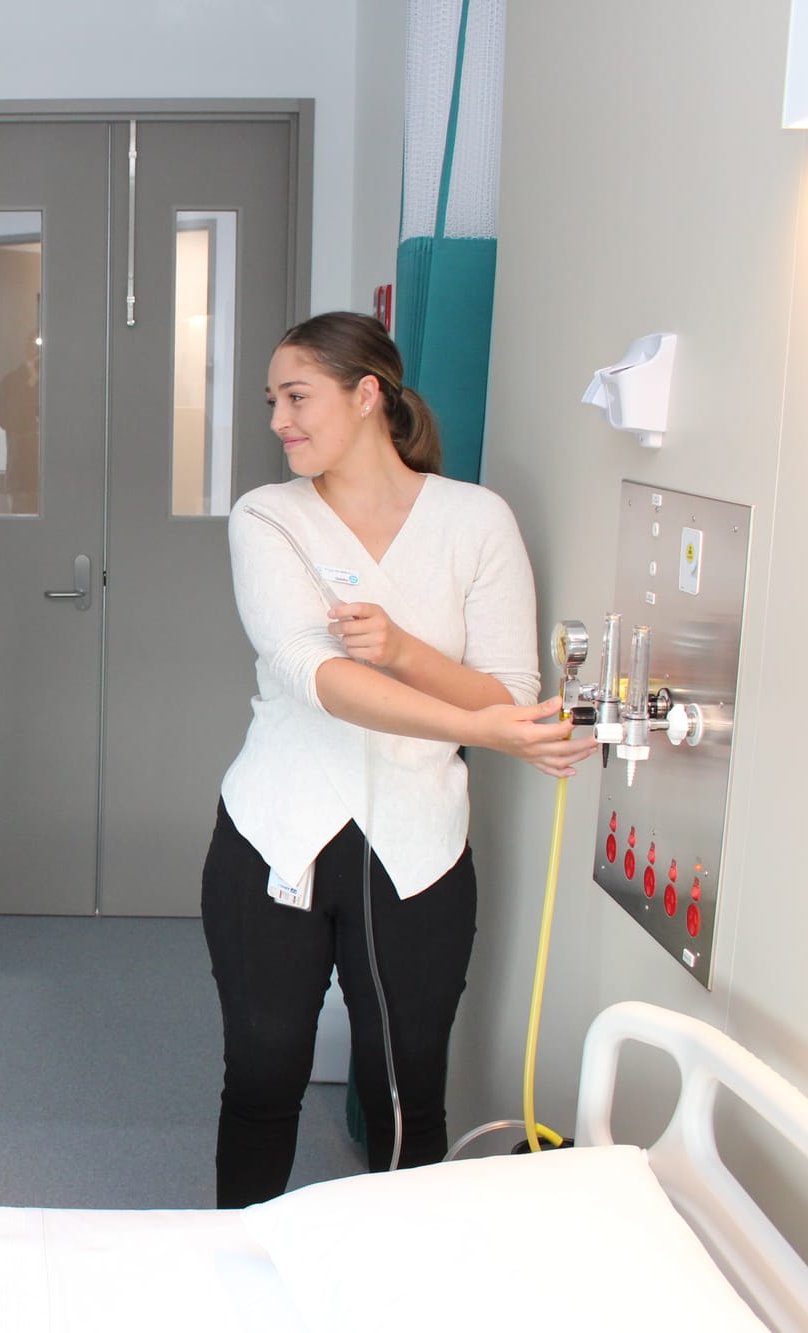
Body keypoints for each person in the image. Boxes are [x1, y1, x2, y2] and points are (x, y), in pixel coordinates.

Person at [203, 311, 600, 1207]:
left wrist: (408, 650)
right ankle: (231, 1270)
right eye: (272, 401)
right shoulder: (269, 516)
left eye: (296, 396)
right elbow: (317, 675)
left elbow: (505, 694)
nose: (278, 420)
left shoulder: (476, 520)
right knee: (263, 1080)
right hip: (276, 834)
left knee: (405, 1091)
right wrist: (493, 734)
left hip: (418, 851)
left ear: (368, 393)